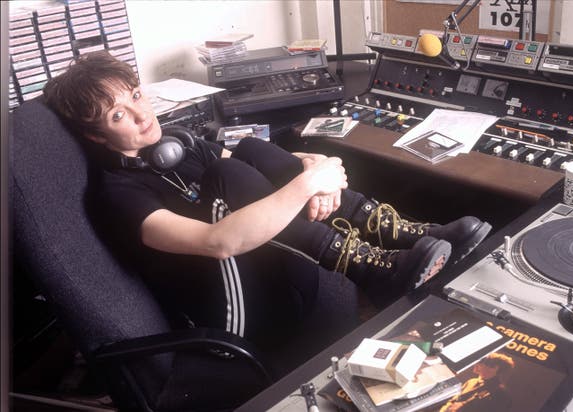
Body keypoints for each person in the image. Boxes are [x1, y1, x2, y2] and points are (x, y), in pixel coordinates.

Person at [42, 51, 491, 345]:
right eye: (119, 114)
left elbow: (260, 161)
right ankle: (370, 269)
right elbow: (217, 243)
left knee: (250, 148)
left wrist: (317, 170)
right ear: (96, 135)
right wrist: (306, 186)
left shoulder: (178, 144)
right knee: (226, 171)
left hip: (270, 269)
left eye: (137, 95)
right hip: (232, 317)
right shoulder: (117, 194)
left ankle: (404, 234)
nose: (143, 115)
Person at [439, 352, 515, 412]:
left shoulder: (500, 394)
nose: (475, 364)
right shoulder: (471, 382)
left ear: (495, 368)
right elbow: (454, 400)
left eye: (481, 363)